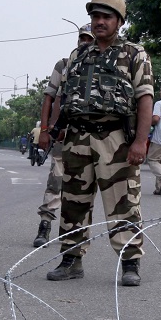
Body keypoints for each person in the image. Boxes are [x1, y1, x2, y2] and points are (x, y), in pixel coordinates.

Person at [45, 0, 154, 286]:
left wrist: (140, 142)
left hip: (115, 139)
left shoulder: (134, 54)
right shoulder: (79, 55)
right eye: (95, 16)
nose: (99, 22)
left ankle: (130, 263)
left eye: (106, 17)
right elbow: (63, 96)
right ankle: (71, 260)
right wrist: (51, 131)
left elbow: (145, 98)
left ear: (119, 21)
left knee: (124, 203)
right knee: (73, 202)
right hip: (77, 138)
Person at [33, 24, 95, 248]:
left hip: (95, 135)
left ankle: (77, 236)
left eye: (90, 39)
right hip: (63, 132)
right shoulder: (64, 64)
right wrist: (45, 130)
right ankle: (45, 225)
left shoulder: (107, 65)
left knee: (86, 186)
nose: (85, 42)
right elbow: (49, 97)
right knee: (56, 179)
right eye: (82, 38)